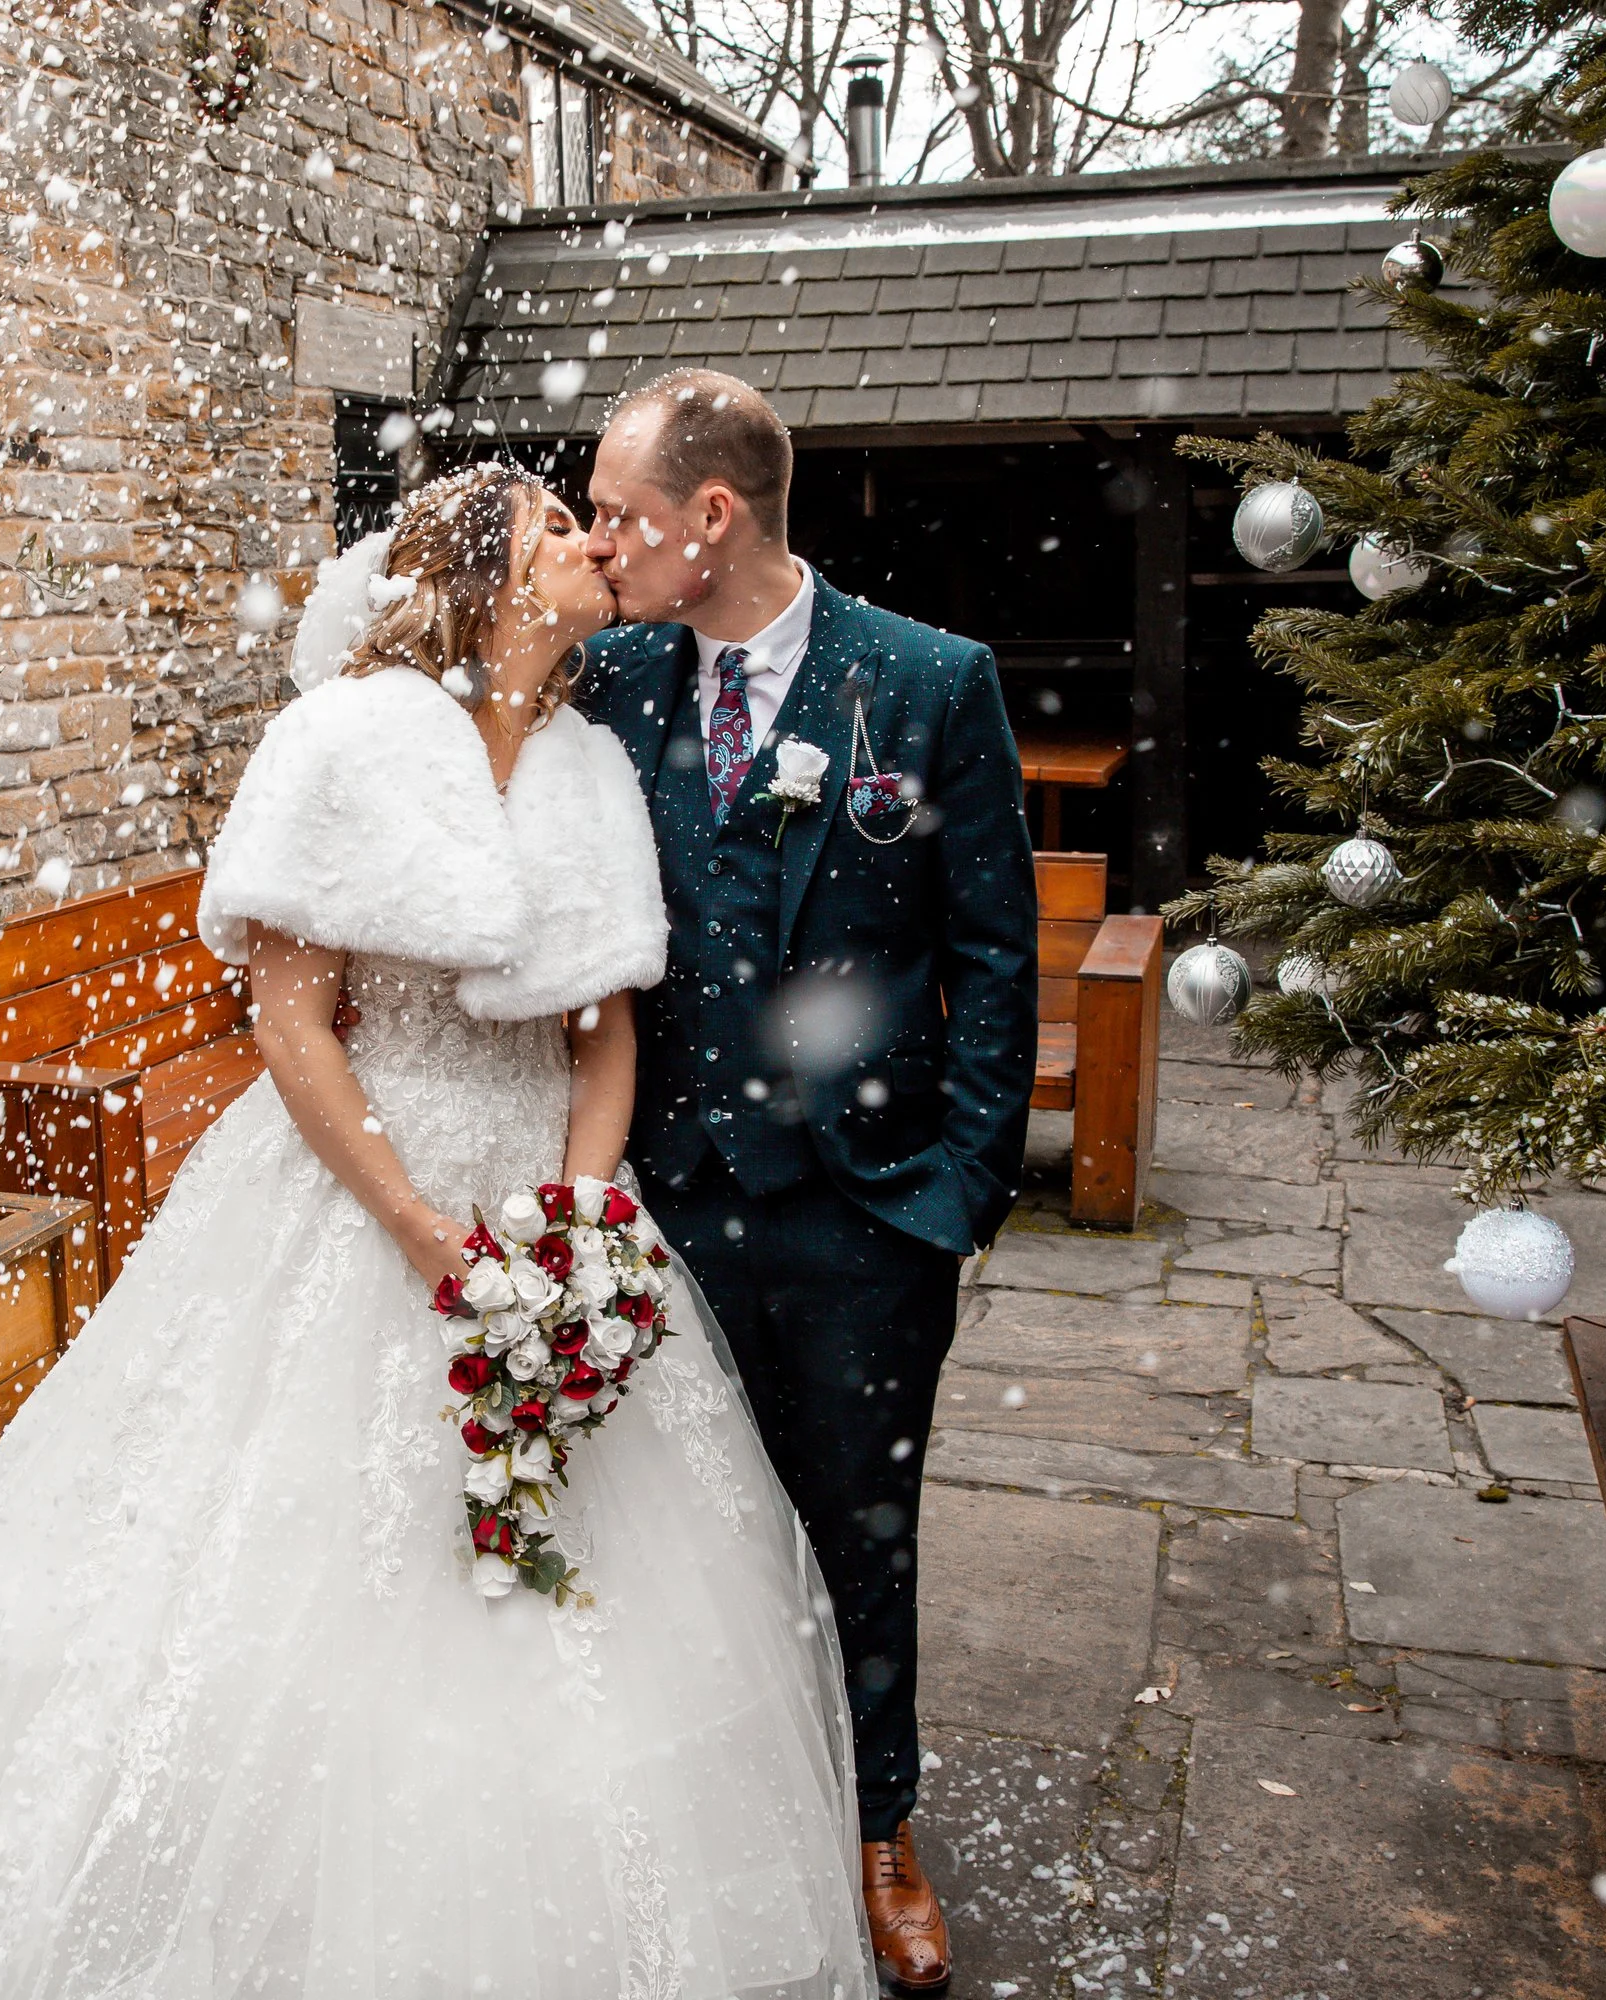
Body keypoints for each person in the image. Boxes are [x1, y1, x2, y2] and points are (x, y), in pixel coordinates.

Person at [0, 462, 880, 2000]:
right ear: (486, 579)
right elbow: (292, 1026)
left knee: (576, 1548)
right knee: (288, 1553)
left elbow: (605, 1027)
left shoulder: (588, 762)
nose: (589, 545)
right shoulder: (342, 743)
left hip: (540, 1187)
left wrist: (577, 1221)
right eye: (557, 529)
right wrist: (425, 1231)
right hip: (363, 1180)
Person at [579, 369, 1040, 1998]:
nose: (596, 543)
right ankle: (705, 1820)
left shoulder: (923, 683)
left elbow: (993, 949)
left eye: (621, 514)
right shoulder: (610, 676)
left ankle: (878, 1832)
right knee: (676, 1530)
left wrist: (960, 1189)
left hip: (864, 1211)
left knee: (862, 1528)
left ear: (715, 517)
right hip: (658, 1199)